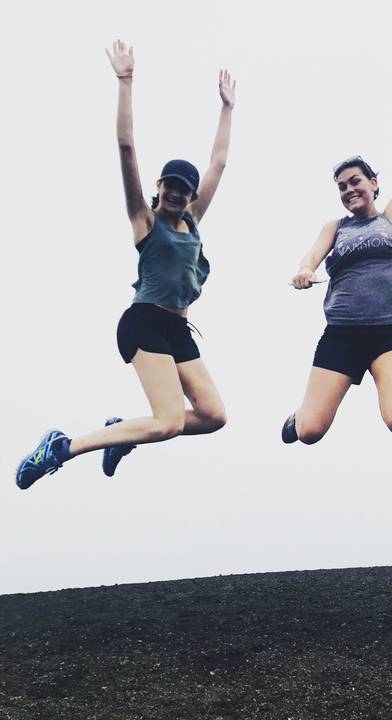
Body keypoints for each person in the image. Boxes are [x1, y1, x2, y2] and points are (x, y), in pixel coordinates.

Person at [15, 39, 235, 489]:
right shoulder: (145, 221)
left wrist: (227, 109)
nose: (176, 192)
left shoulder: (192, 223)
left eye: (184, 188)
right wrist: (125, 81)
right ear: (158, 188)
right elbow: (125, 147)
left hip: (176, 330)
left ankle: (122, 433)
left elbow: (218, 163)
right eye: (169, 186)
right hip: (143, 323)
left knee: (214, 416)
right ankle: (62, 447)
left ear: (192, 196)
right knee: (169, 422)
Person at [282, 59, 392, 479]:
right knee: (310, 432)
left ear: (373, 183)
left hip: (389, 333)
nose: (349, 189)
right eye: (341, 186)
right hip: (342, 335)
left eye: (355, 181)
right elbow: (311, 257)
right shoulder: (334, 227)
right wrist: (303, 270)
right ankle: (299, 414)